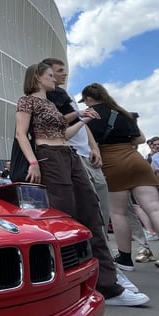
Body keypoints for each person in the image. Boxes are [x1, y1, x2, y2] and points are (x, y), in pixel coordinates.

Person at [15, 63, 148, 306]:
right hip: (48, 157)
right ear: (37, 78)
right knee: (64, 218)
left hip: (69, 155)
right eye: (49, 76)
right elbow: (21, 134)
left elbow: (63, 135)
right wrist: (33, 161)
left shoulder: (52, 105)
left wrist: (83, 119)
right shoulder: (27, 101)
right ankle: (68, 288)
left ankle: (109, 287)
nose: (54, 79)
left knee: (92, 215)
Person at [80, 83, 159, 280]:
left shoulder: (89, 115)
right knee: (155, 209)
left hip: (111, 161)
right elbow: (140, 139)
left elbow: (86, 142)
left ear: (88, 99)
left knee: (118, 212)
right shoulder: (122, 112)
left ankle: (125, 258)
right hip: (135, 160)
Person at [41, 58, 108, 227]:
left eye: (65, 70)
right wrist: (80, 115)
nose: (65, 73)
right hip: (71, 152)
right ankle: (93, 245)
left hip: (87, 153)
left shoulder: (67, 94)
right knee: (89, 204)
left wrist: (94, 147)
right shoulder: (45, 98)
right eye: (59, 70)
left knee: (103, 202)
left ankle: (104, 244)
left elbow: (84, 122)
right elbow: (55, 124)